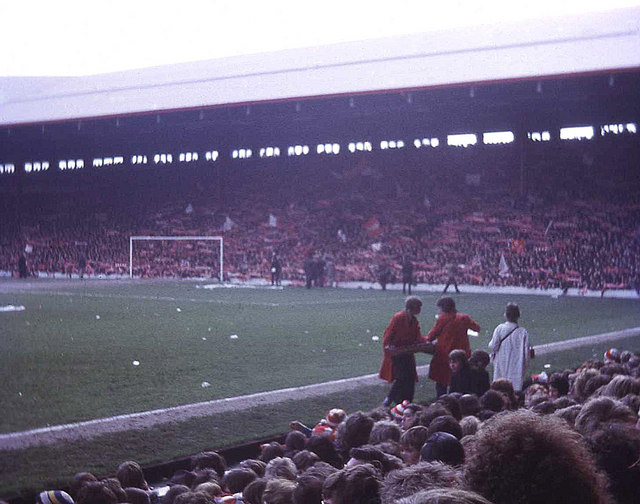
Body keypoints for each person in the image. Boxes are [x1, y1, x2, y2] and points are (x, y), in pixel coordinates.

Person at [379, 296, 430, 406]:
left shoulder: (414, 321)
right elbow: (388, 334)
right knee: (401, 377)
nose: (420, 309)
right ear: (413, 307)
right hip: (396, 352)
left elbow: (418, 337)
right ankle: (389, 399)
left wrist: (428, 340)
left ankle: (406, 401)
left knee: (410, 378)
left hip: (407, 352)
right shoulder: (398, 317)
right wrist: (388, 348)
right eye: (419, 307)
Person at [426, 297, 480, 397]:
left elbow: (431, 335)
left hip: (445, 354)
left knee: (441, 381)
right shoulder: (464, 318)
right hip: (462, 354)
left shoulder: (442, 319)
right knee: (461, 379)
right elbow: (477, 328)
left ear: (443, 308)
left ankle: (442, 401)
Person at [488, 302, 529, 392]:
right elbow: (526, 354)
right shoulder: (523, 332)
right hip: (516, 365)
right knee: (514, 389)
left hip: (501, 362)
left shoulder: (499, 328)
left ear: (505, 315)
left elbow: (493, 346)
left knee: (499, 388)